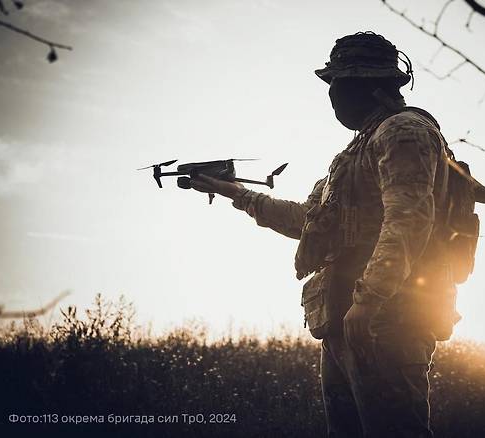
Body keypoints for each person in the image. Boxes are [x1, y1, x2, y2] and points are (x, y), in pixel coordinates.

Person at [191, 31, 460, 438]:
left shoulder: (403, 131)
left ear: (366, 84)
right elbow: (308, 222)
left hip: (385, 319)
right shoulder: (357, 149)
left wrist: (369, 301)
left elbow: (409, 219)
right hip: (346, 318)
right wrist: (235, 192)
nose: (331, 95)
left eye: (336, 83)